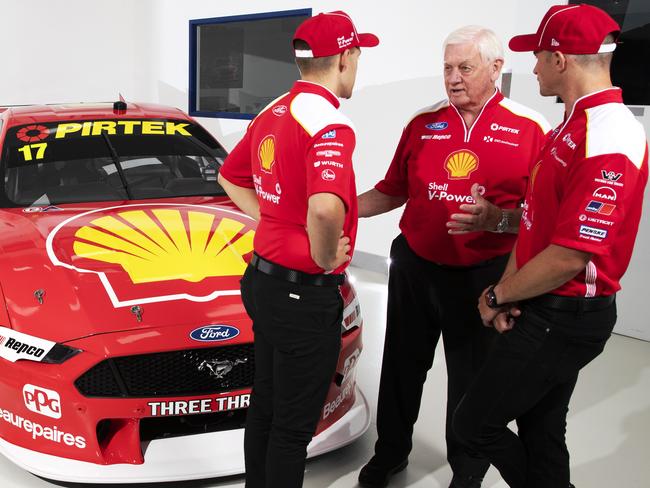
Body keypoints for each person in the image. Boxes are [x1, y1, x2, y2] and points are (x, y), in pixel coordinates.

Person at [452, 5, 648, 488]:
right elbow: (536, 225)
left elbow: (571, 254)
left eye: (538, 57)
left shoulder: (609, 134)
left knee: (473, 425)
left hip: (566, 313)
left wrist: (497, 297)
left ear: (560, 59)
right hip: (541, 304)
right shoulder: (567, 128)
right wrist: (508, 291)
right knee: (542, 432)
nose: (533, 68)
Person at [357, 26, 550, 488]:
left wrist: (496, 220)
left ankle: (467, 470)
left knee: (471, 379)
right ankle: (390, 454)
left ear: (496, 68)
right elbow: (391, 190)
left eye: (465, 67)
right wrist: (337, 209)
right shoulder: (423, 123)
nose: (453, 78)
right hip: (415, 266)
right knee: (402, 368)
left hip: (483, 275)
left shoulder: (531, 128)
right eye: (447, 67)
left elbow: (541, 218)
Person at [217, 10, 378, 488]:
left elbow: (230, 175)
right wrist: (325, 254)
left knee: (264, 407)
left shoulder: (272, 111)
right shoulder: (330, 123)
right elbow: (327, 209)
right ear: (346, 58)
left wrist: (274, 218)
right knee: (292, 427)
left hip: (263, 281)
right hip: (303, 295)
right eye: (357, 54)